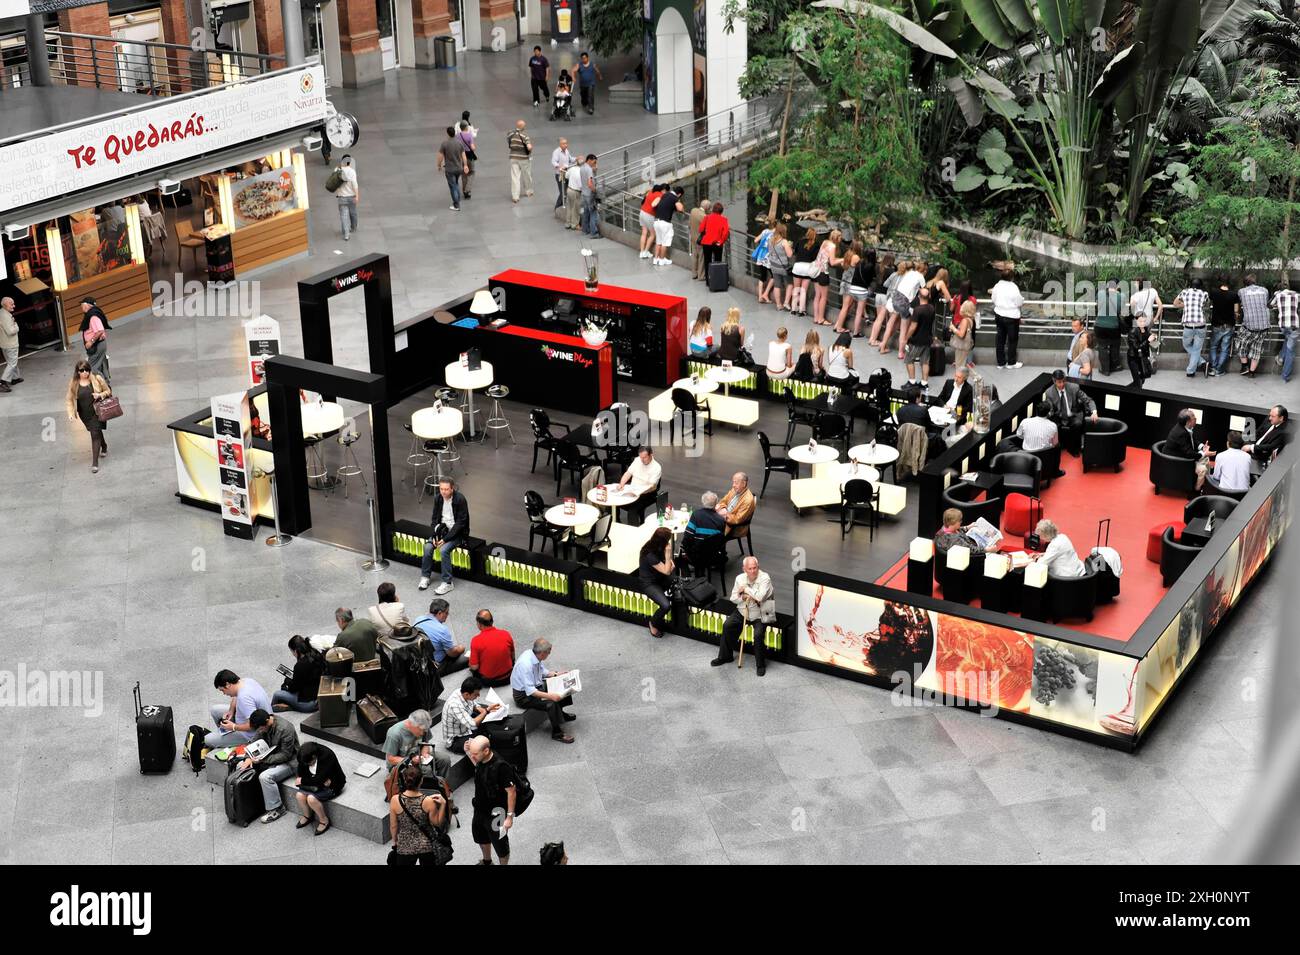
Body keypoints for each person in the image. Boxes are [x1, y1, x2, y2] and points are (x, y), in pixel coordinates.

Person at [711, 556, 776, 675]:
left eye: (755, 568)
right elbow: (733, 598)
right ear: (744, 569)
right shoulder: (739, 578)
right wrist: (743, 597)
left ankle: (760, 665)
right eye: (749, 568)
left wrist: (746, 589)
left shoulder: (765, 578)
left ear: (758, 567)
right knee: (727, 625)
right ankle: (725, 656)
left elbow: (760, 597)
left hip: (760, 613)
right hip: (743, 610)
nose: (753, 571)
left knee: (758, 635)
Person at [511, 638, 576, 743]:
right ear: (542, 653)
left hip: (535, 686)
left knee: (561, 684)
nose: (549, 654)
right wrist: (551, 696)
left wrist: (557, 674)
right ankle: (557, 733)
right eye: (548, 652)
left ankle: (561, 713)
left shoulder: (534, 655)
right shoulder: (526, 665)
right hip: (523, 696)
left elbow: (543, 671)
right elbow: (531, 691)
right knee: (550, 703)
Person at [241, 709, 299, 824]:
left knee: (265, 777)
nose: (260, 731)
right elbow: (254, 741)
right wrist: (248, 757)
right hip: (269, 756)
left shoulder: (286, 729)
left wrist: (263, 760)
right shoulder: (261, 724)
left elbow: (286, 755)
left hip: (290, 762)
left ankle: (278, 808)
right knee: (242, 765)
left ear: (268, 721)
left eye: (261, 728)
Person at [467, 735, 518, 865]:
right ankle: (487, 861)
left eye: (475, 754)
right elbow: (479, 768)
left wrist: (509, 817)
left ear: (486, 751)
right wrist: (468, 751)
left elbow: (511, 792)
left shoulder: (501, 766)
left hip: (497, 813)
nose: (472, 756)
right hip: (480, 808)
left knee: (500, 844)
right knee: (481, 837)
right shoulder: (481, 760)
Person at [388, 761, 449, 865]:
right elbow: (437, 823)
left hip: (405, 845)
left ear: (404, 780)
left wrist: (395, 841)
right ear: (421, 781)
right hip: (426, 845)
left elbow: (393, 826)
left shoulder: (395, 800)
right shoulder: (428, 801)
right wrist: (443, 804)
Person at [420, 477, 469, 594]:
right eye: (441, 489)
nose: (443, 492)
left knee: (443, 550)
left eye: (446, 489)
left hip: (457, 534)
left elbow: (461, 523)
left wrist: (445, 539)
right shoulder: (438, 498)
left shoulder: (460, 499)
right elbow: (434, 519)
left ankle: (447, 582)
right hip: (441, 531)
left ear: (452, 489)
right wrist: (434, 535)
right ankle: (425, 577)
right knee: (427, 547)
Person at [206, 669, 272, 749]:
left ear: (227, 684)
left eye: (223, 690)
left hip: (252, 733)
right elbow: (236, 696)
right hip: (246, 717)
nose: (224, 693)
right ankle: (224, 736)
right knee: (215, 710)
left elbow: (253, 725)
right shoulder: (246, 681)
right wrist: (231, 710)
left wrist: (233, 727)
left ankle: (228, 740)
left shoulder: (244, 698)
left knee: (207, 739)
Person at [64, 360, 111, 473]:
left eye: (87, 370)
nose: (85, 372)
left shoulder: (97, 379)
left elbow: (108, 391)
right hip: (84, 414)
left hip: (97, 411)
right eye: (82, 370)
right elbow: (69, 399)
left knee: (94, 434)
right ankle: (104, 445)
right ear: (78, 371)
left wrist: (99, 395)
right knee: (96, 431)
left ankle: (95, 463)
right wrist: (70, 414)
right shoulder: (74, 383)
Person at [294, 741, 345, 835]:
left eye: (309, 763)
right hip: (315, 785)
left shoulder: (327, 755)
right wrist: (316, 780)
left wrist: (305, 780)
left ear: (314, 757)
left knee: (311, 799)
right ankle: (307, 815)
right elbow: (301, 773)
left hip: (333, 785)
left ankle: (324, 820)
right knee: (299, 795)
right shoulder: (303, 756)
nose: (308, 765)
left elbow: (318, 779)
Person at [383, 709, 451, 778]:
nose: (423, 733)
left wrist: (424, 753)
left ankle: (440, 782)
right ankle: (426, 784)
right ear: (412, 725)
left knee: (445, 759)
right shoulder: (394, 733)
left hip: (418, 756)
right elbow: (391, 759)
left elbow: (425, 743)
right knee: (426, 770)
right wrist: (410, 761)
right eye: (421, 730)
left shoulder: (423, 726)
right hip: (400, 763)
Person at [442, 675, 500, 755]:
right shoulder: (454, 705)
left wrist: (482, 709)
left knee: (485, 714)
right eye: (476, 694)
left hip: (465, 726)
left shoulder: (461, 691)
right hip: (456, 739)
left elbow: (473, 704)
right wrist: (485, 711)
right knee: (480, 745)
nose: (478, 696)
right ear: (467, 694)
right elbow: (473, 725)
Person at [1042, 369, 1096, 455]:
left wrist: (1094, 412)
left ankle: (1073, 448)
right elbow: (1050, 408)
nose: (1062, 384)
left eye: (1063, 381)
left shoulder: (1074, 387)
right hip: (1059, 416)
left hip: (1073, 415)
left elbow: (1088, 400)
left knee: (1077, 424)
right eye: (1059, 382)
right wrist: (1047, 415)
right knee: (1052, 425)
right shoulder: (1049, 392)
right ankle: (1057, 447)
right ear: (1054, 381)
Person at [412, 598, 468, 675]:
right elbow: (452, 654)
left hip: (418, 659)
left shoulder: (418, 619)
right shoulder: (442, 630)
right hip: (434, 665)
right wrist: (461, 648)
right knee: (469, 657)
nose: (447, 615)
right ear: (439, 613)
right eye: (446, 613)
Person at [638, 526, 675, 638]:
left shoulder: (657, 546)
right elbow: (668, 570)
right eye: (668, 540)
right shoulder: (650, 554)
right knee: (665, 606)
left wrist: (668, 565)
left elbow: (670, 567)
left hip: (659, 577)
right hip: (649, 583)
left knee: (678, 582)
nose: (669, 542)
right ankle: (653, 623)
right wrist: (668, 555)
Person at [272, 635, 324, 713]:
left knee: (277, 694)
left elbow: (294, 688)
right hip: (320, 696)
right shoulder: (316, 654)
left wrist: (288, 682)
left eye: (292, 651)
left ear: (296, 651)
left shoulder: (300, 666)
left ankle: (271, 710)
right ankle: (288, 705)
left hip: (309, 704)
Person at [469, 609, 516, 687]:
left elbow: (474, 667)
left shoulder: (476, 640)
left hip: (488, 681)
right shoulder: (506, 634)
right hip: (508, 677)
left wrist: (470, 662)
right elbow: (513, 656)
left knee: (472, 669)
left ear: (479, 624)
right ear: (492, 621)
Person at [1172, 279, 1210, 377]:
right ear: (1201, 286)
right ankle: (1202, 362)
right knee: (1197, 349)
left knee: (1186, 345)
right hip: (1201, 325)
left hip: (1188, 326)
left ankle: (1191, 371)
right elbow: (1206, 305)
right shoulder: (1204, 293)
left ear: (1190, 285)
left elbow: (1175, 303)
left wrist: (1186, 304)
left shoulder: (1184, 292)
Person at [1236, 274, 1271, 378]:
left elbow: (1240, 303)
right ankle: (1252, 373)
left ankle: (1244, 366)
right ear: (1255, 281)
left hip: (1249, 325)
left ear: (1245, 283)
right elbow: (1265, 303)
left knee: (1240, 343)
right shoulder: (1264, 290)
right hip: (1264, 325)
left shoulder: (1241, 291)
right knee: (1257, 349)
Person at [990, 266, 1024, 369]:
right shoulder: (1013, 287)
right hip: (1011, 317)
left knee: (1000, 339)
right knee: (1012, 340)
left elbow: (993, 299)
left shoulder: (997, 286)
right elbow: (1019, 302)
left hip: (999, 314)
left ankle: (1001, 363)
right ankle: (1011, 363)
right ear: (1012, 277)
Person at [891, 261, 927, 360]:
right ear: (924, 270)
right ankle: (901, 352)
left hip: (896, 298)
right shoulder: (921, 277)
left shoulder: (910, 272)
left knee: (902, 325)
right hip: (904, 301)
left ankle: (902, 349)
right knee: (905, 329)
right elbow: (925, 291)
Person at [903, 287, 936, 389]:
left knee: (909, 359)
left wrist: (906, 338)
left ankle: (912, 382)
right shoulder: (932, 308)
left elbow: (913, 327)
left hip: (916, 340)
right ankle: (924, 383)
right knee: (925, 362)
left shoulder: (917, 310)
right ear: (929, 296)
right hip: (927, 339)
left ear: (918, 296)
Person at [810, 229, 844, 326]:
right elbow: (832, 262)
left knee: (817, 296)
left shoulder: (825, 242)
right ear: (836, 237)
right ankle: (821, 319)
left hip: (816, 270)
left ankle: (816, 318)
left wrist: (837, 259)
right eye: (840, 237)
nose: (841, 239)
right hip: (823, 272)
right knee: (824, 297)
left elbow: (825, 257)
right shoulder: (833, 246)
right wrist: (843, 259)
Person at [870, 256, 905, 351]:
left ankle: (871, 338)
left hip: (877, 295)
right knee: (883, 320)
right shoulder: (892, 272)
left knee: (878, 319)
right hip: (885, 296)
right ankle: (874, 340)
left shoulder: (879, 267)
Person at [1207, 276, 1238, 377]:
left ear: (1219, 282)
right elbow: (1236, 311)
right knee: (1225, 348)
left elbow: (1209, 304)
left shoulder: (1214, 292)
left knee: (1213, 346)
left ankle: (1212, 368)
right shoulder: (1234, 294)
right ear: (1229, 283)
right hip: (1229, 325)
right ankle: (1219, 370)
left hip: (1216, 324)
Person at [934, 508, 999, 556]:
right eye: (959, 521)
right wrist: (987, 550)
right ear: (953, 523)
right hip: (970, 555)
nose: (961, 522)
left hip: (968, 544)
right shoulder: (954, 540)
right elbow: (970, 549)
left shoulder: (945, 528)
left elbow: (957, 530)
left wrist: (967, 527)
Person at [1094, 279, 1124, 376]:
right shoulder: (1121, 296)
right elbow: (1120, 310)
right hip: (1114, 326)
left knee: (1102, 347)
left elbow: (1097, 304)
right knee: (1115, 345)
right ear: (1117, 286)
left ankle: (1105, 369)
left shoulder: (1100, 294)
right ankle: (1115, 366)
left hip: (1099, 325)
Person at [436, 126, 469, 212]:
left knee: (452, 186)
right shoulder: (459, 143)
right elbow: (463, 155)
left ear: (447, 133)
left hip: (450, 169)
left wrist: (439, 165)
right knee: (456, 183)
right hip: (459, 168)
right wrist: (465, 165)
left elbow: (440, 156)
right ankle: (458, 198)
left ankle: (456, 204)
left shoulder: (444, 144)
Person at [1272, 284, 1300, 383]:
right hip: (1293, 327)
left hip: (1283, 326)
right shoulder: (1296, 295)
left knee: (1287, 339)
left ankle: (1280, 358)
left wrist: (1277, 295)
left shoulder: (1277, 295)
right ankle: (1285, 376)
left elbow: (1270, 304)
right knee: (1290, 352)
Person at [652, 182, 684, 266]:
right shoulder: (675, 198)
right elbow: (680, 209)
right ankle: (662, 260)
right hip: (665, 223)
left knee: (658, 241)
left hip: (656, 221)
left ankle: (656, 259)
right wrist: (680, 203)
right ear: (679, 194)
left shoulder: (665, 194)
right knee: (665, 243)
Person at [787, 228, 818, 317]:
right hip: (807, 268)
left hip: (797, 266)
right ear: (814, 235)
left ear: (807, 233)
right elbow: (815, 258)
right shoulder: (816, 244)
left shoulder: (800, 241)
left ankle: (793, 309)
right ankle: (801, 310)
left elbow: (796, 252)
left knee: (796, 288)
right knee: (803, 290)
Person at [717, 471, 756, 542]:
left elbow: (737, 519)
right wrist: (723, 508)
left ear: (744, 484)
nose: (733, 485)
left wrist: (725, 514)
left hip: (733, 527)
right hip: (724, 518)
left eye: (736, 483)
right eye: (733, 482)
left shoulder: (747, 500)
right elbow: (722, 501)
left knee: (709, 530)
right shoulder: (734, 490)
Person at [79, 297, 111, 381]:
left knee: (91, 368)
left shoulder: (93, 317)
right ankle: (106, 382)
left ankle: (103, 384)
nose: (81, 307)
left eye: (82, 305)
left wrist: (91, 341)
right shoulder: (92, 314)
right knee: (101, 365)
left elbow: (100, 331)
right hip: (98, 345)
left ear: (87, 305)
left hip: (97, 345)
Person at [699, 201, 731, 276]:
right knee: (718, 261)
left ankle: (708, 279)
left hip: (706, 243)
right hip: (717, 243)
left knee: (707, 261)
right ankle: (716, 278)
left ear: (713, 209)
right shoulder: (724, 219)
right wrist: (721, 241)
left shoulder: (707, 217)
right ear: (721, 211)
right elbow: (725, 233)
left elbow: (700, 229)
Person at [766, 223, 793, 310]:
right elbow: (789, 255)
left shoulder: (770, 240)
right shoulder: (784, 242)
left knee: (777, 285)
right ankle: (786, 303)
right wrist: (790, 246)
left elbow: (769, 251)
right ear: (783, 232)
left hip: (773, 266)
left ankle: (778, 305)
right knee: (790, 284)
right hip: (783, 267)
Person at [507, 120, 534, 203]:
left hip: (513, 157)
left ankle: (515, 196)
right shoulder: (525, 136)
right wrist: (530, 148)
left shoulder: (510, 134)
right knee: (527, 175)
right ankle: (529, 191)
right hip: (524, 158)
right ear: (523, 127)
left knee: (515, 177)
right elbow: (529, 147)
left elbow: (509, 142)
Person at [333, 154, 359, 240]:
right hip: (351, 197)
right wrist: (357, 196)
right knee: (353, 213)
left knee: (344, 216)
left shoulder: (337, 170)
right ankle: (353, 227)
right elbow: (355, 185)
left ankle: (346, 234)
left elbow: (334, 183)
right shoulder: (352, 171)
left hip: (341, 197)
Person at [1127, 311, 1154, 388]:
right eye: (1140, 321)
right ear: (1136, 321)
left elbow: (1149, 341)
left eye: (1144, 321)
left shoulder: (1146, 330)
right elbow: (1136, 347)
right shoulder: (1132, 332)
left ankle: (1124, 390)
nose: (1142, 323)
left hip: (1143, 358)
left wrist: (1154, 339)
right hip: (1134, 359)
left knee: (1142, 380)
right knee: (1138, 382)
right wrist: (1148, 341)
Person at [641, 183, 667, 259]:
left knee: (644, 233)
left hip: (642, 212)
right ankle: (646, 252)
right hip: (649, 214)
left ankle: (641, 252)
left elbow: (645, 199)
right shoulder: (660, 195)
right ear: (663, 190)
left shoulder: (651, 191)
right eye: (666, 191)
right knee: (653, 234)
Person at [753, 220, 776, 303]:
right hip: (768, 257)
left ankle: (760, 296)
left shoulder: (765, 231)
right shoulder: (775, 234)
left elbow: (755, 240)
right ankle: (765, 294)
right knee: (774, 276)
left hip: (761, 256)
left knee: (762, 276)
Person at [0, 296, 20, 391]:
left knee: (11, 361)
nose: (14, 306)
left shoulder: (1, 312)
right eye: (11, 304)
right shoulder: (5, 316)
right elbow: (11, 331)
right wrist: (16, 326)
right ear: (5, 305)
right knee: (12, 363)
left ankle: (15, 378)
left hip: (5, 343)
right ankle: (3, 382)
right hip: (10, 344)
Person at [951, 299, 976, 370]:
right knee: (963, 365)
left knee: (959, 367)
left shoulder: (964, 320)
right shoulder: (971, 320)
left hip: (961, 346)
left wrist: (953, 328)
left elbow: (961, 335)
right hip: (966, 346)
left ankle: (960, 377)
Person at [579, 154, 600, 238]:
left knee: (586, 212)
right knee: (593, 213)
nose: (595, 164)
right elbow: (590, 183)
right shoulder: (589, 170)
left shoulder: (582, 168)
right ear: (589, 160)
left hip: (584, 194)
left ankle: (585, 229)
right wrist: (595, 190)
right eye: (594, 162)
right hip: (590, 194)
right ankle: (594, 232)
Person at [457, 120, 477, 200]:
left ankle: (464, 191)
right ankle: (467, 189)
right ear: (466, 127)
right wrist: (474, 147)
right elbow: (472, 147)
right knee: (472, 172)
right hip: (469, 156)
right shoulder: (469, 135)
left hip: (461, 156)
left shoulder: (457, 135)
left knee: (464, 174)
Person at [551, 137, 573, 210]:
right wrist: (559, 166)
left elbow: (570, 159)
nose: (566, 145)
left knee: (566, 191)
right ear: (560, 145)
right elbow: (554, 162)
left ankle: (562, 205)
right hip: (560, 174)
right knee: (563, 192)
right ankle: (557, 207)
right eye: (564, 144)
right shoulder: (556, 152)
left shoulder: (567, 151)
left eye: (566, 143)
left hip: (566, 173)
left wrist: (576, 159)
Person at [564, 154, 585, 229]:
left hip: (569, 189)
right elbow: (580, 185)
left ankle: (568, 223)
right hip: (576, 191)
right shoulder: (581, 172)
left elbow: (566, 176)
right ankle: (574, 224)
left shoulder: (572, 168)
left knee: (569, 207)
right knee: (576, 208)